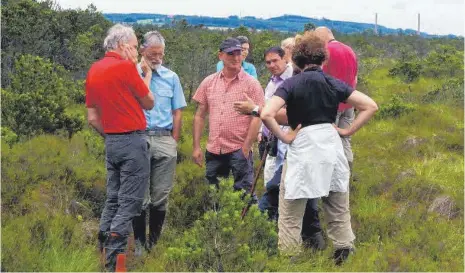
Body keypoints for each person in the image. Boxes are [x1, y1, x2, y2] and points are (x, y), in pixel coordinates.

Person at [260, 31, 378, 265]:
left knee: (291, 208)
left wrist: (285, 136)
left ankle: (290, 259)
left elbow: (266, 113)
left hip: (303, 146)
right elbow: (370, 105)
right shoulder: (334, 83)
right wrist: (348, 131)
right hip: (330, 145)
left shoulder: (291, 84)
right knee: (337, 204)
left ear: (295, 60)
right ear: (324, 60)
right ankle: (343, 252)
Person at [86, 24, 155, 272]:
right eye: (135, 46)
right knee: (129, 203)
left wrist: (112, 136)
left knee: (113, 199)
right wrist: (145, 75)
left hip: (112, 142)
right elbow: (149, 101)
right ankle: (115, 263)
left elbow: (92, 117)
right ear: (123, 45)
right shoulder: (126, 68)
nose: (137, 51)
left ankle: (102, 253)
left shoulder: (94, 69)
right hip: (133, 141)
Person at [132, 31, 187, 256]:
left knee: (160, 196)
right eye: (153, 54)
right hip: (139, 138)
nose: (157, 58)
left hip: (164, 139)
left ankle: (154, 243)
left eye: (161, 54)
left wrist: (173, 140)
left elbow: (178, 112)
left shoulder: (171, 77)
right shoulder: (131, 74)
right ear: (142, 50)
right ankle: (138, 244)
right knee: (139, 196)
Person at [192, 37, 264, 195]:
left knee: (244, 196)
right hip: (214, 150)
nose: (236, 57)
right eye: (231, 54)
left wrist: (246, 147)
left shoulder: (252, 84)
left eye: (238, 53)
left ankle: (245, 220)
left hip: (239, 150)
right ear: (221, 56)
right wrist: (196, 146)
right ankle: (217, 221)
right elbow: (199, 116)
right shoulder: (209, 82)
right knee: (214, 196)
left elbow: (258, 116)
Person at [314, 26, 358, 175]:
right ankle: (347, 176)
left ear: (322, 37)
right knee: (345, 140)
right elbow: (355, 79)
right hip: (350, 102)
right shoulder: (350, 50)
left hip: (332, 105)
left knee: (327, 143)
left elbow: (320, 79)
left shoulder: (326, 52)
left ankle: (331, 181)